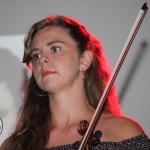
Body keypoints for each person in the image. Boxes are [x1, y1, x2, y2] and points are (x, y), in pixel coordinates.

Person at [0, 15, 150, 150]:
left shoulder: (123, 132)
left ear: (84, 61)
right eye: (36, 55)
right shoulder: (16, 144)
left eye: (55, 48)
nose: (42, 60)